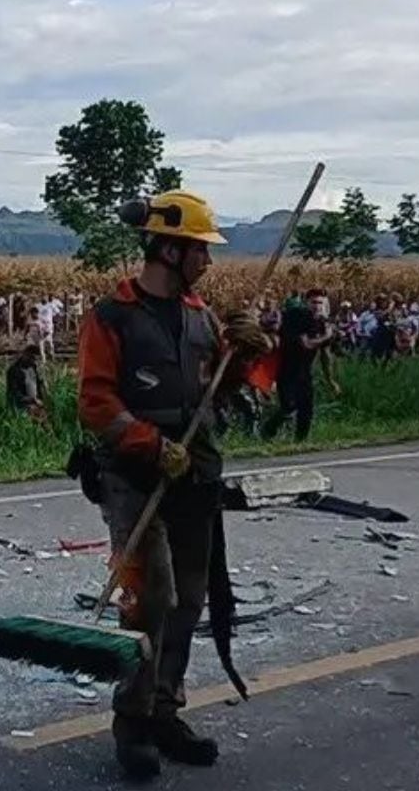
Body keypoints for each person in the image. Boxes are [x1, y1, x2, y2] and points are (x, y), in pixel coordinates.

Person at [76, 189, 250, 779]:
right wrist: (151, 445)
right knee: (151, 600)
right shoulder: (112, 317)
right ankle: (133, 720)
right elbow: (96, 401)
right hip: (134, 478)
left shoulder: (202, 317)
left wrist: (247, 356)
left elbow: (216, 390)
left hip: (196, 475)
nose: (208, 261)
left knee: (191, 600)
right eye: (201, 249)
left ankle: (164, 708)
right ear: (170, 249)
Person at [262, 290, 333, 441]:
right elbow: (306, 344)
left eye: (320, 303)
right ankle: (268, 430)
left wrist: (330, 380)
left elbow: (325, 355)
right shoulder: (297, 316)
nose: (317, 306)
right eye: (314, 302)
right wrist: (326, 336)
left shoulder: (322, 323)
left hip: (305, 371)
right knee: (289, 405)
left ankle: (300, 442)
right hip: (287, 369)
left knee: (306, 409)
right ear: (306, 302)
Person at [5, 343, 47, 420]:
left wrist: (40, 398)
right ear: (25, 355)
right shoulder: (14, 370)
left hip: (35, 402)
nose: (33, 361)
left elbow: (37, 385)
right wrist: (31, 400)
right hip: (20, 405)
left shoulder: (32, 367)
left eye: (35, 359)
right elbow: (14, 393)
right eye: (32, 358)